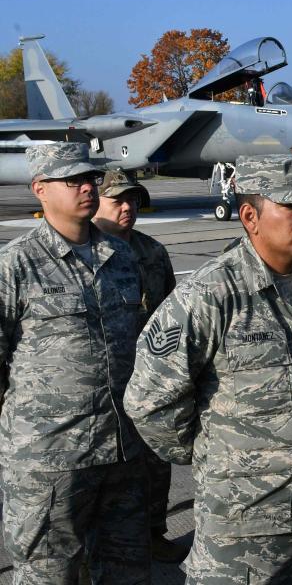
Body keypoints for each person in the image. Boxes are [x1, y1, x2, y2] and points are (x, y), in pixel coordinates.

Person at [124, 154, 292, 583]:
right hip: (244, 527)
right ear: (250, 216)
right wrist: (221, 456)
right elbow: (149, 401)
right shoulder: (210, 294)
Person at [0, 143, 150, 583]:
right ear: (40, 189)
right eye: (72, 181)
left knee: (126, 570)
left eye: (89, 179)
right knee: (49, 572)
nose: (87, 187)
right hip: (50, 458)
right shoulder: (16, 265)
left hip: (121, 448)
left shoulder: (120, 256)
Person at [92, 169, 187, 563]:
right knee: (103, 467)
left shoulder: (152, 251)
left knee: (153, 459)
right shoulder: (86, 253)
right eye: (118, 200)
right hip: (102, 380)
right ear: (96, 201)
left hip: (150, 378)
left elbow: (172, 312)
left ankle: (152, 532)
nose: (128, 207)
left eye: (133, 200)